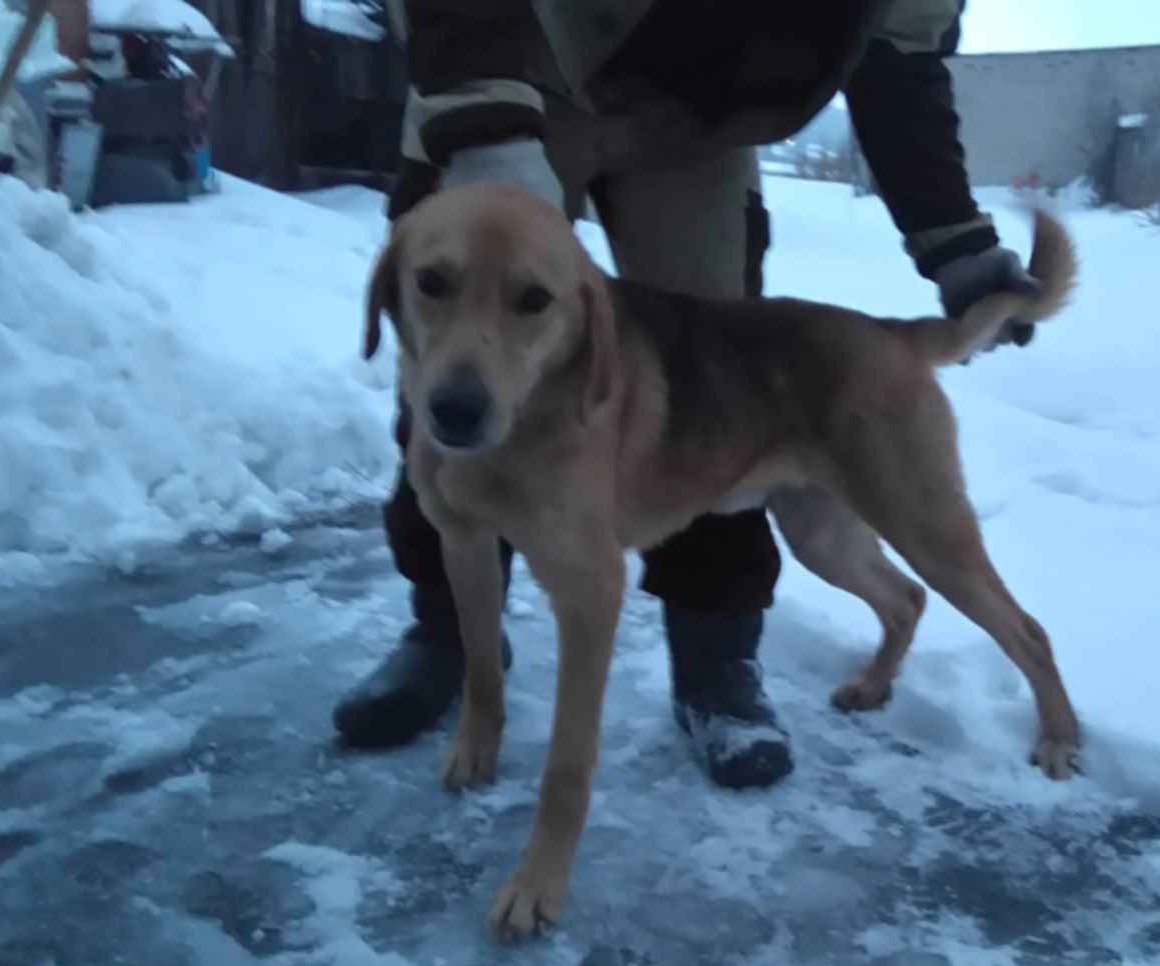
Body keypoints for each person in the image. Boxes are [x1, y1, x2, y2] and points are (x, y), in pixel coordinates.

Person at [333, 0, 1044, 790]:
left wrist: (954, 238)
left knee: (716, 382)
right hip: (513, 53)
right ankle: (448, 636)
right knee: (457, 360)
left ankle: (716, 665)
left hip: (697, 118)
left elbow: (901, 66)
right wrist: (482, 125)